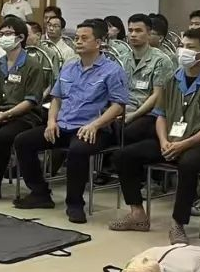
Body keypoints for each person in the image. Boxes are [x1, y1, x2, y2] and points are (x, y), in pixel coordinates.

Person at [108, 28, 200, 243]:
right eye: (182, 46)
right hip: (170, 141)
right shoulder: (172, 80)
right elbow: (160, 115)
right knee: (123, 156)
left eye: (191, 47)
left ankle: (178, 223)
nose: (184, 51)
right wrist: (164, 141)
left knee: (188, 164)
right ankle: (137, 214)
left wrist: (184, 144)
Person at [13, 19, 129, 223]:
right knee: (23, 140)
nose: (78, 42)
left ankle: (75, 204)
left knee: (78, 150)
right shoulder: (69, 66)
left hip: (94, 128)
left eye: (84, 38)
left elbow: (118, 106)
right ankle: (40, 192)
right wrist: (51, 121)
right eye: (76, 38)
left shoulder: (112, 70)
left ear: (99, 42)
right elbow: (56, 98)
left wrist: (95, 124)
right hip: (63, 125)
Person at [0, 16, 50, 202]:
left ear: (20, 37)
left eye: (8, 34)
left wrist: (4, 115)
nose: (3, 37)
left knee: (2, 137)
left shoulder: (32, 65)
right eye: (1, 34)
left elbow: (31, 101)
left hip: (25, 116)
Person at [121, 14, 174, 144]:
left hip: (148, 113)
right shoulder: (123, 58)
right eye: (130, 30)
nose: (133, 34)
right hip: (124, 108)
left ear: (149, 33)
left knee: (126, 132)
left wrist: (133, 115)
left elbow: (157, 96)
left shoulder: (161, 60)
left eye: (138, 31)